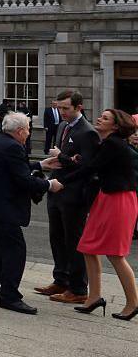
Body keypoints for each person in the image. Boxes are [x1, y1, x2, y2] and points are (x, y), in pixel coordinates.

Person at [47, 109, 138, 320]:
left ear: (115, 126)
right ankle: (94, 297)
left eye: (105, 118)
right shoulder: (107, 144)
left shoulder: (114, 144)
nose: (99, 118)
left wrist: (62, 181)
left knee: (115, 254)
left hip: (119, 200)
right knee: (87, 246)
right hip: (106, 197)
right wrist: (73, 159)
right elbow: (90, 164)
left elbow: (90, 168)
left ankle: (133, 303)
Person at [0, 112, 62, 315]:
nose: (29, 133)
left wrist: (40, 164)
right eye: (28, 129)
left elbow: (14, 168)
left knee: (3, 242)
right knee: (15, 249)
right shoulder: (13, 146)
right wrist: (49, 185)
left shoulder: (3, 142)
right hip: (0, 205)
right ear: (20, 131)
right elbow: (23, 179)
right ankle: (10, 296)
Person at [35, 90, 100, 305]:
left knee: (74, 240)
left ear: (78, 107)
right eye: (59, 108)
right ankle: (60, 279)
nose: (61, 112)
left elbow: (88, 166)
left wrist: (61, 156)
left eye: (66, 108)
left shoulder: (88, 132)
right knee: (57, 237)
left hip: (73, 194)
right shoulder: (63, 126)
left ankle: (78, 288)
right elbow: (64, 159)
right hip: (56, 188)